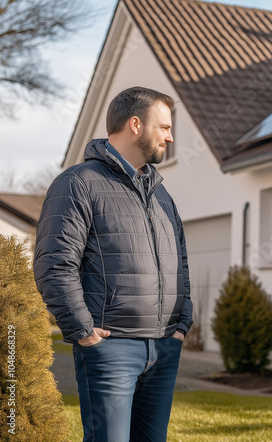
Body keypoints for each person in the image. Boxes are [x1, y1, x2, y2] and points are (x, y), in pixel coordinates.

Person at [34, 86, 193, 442]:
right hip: (110, 348)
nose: (170, 136)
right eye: (164, 127)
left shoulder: (161, 194)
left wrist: (181, 323)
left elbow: (179, 261)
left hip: (165, 345)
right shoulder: (77, 184)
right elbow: (54, 264)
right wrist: (83, 331)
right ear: (136, 124)